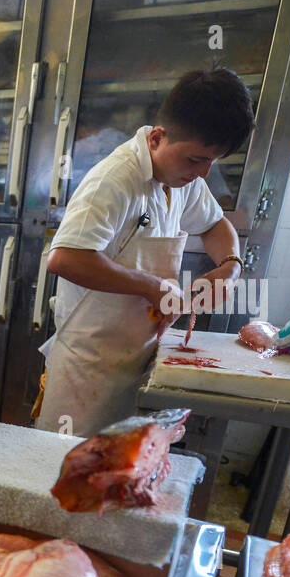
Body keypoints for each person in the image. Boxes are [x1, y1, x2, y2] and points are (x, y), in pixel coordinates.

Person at [34, 67, 252, 437]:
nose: (203, 173)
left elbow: (217, 227)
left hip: (140, 352)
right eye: (195, 159)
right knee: (68, 475)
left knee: (123, 475)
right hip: (88, 365)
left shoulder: (183, 180)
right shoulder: (115, 180)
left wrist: (230, 266)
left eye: (213, 161)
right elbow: (66, 258)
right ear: (156, 138)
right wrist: (151, 286)